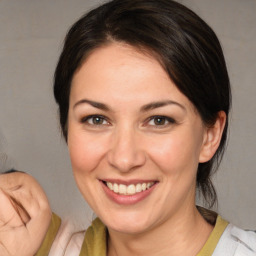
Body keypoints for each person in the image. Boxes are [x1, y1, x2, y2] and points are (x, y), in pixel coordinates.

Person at [0, 0, 255, 255]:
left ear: (210, 136)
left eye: (159, 120)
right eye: (97, 119)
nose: (124, 159)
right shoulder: (26, 245)